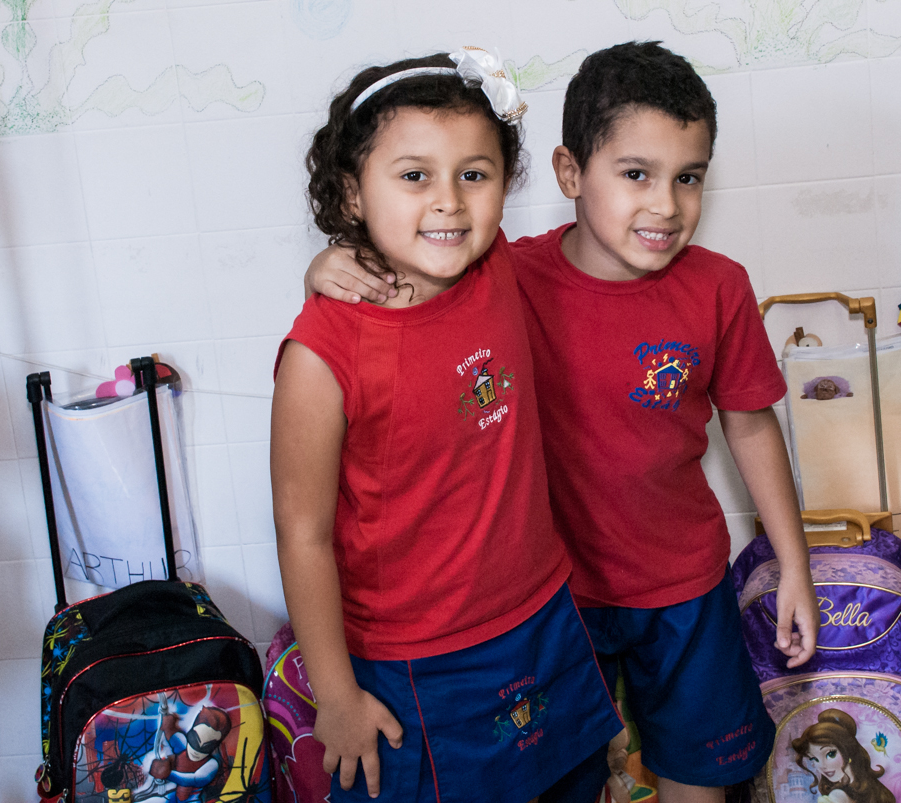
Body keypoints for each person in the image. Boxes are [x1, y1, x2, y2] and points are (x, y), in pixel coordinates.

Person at [304, 41, 819, 803]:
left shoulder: (719, 288)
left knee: (698, 778)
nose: (665, 205)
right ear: (570, 173)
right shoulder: (506, 275)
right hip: (556, 605)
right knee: (577, 777)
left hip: (682, 587)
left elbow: (750, 425)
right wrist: (327, 265)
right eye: (637, 174)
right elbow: (416, 255)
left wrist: (793, 564)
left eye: (688, 179)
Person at [271, 48, 623, 803]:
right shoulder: (320, 354)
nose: (449, 202)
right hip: (411, 663)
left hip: (540, 617)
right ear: (350, 192)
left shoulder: (496, 266)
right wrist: (334, 696)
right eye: (413, 175)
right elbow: (302, 534)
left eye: (474, 173)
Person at [790, 710, 895, 803]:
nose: (822, 766)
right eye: (814, 759)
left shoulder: (870, 789)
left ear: (848, 750)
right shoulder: (836, 793)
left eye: (830, 754)